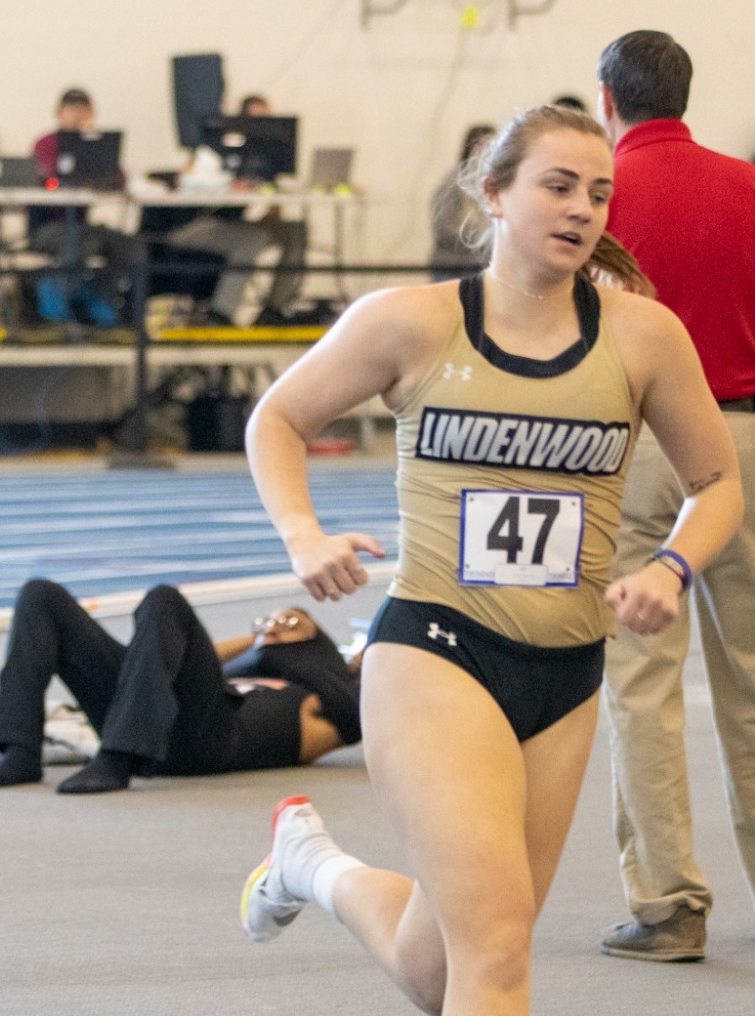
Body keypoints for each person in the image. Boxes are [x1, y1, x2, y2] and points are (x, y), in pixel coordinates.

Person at [235, 104, 740, 1016]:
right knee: (499, 950)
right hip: (437, 651)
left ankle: (310, 866)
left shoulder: (643, 336)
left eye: (599, 194)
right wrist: (303, 533)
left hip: (566, 674)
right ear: (495, 193)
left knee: (443, 968)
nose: (582, 209)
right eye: (558, 186)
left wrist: (672, 567)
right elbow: (278, 417)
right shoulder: (413, 322)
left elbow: (717, 482)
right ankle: (312, 866)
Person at [594, 29, 755, 962]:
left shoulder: (598, 194)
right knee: (754, 683)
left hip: (638, 445)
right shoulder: (747, 186)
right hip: (746, 439)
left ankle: (669, 909)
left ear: (607, 99)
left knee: (642, 681)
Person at [0, 580, 360, 793]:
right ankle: (19, 752)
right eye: (264, 621)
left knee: (165, 599)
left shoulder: (328, 704)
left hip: (208, 742)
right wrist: (256, 640)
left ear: (319, 646)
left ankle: (117, 759)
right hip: (145, 721)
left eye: (289, 623)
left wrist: (360, 664)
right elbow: (184, 649)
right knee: (41, 595)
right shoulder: (232, 672)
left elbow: (374, 712)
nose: (271, 627)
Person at [166, 93, 309, 326]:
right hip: (197, 226)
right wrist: (228, 184)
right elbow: (185, 182)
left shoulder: (265, 157)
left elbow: (273, 205)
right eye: (256, 120)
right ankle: (221, 315)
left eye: (267, 120)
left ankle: (274, 310)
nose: (262, 127)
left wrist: (270, 210)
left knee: (295, 232)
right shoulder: (210, 150)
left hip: (236, 226)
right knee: (252, 239)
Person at [27, 87, 142, 327]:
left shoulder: (97, 143)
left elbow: (118, 177)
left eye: (83, 109)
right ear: (59, 112)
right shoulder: (46, 144)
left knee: (128, 245)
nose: (78, 114)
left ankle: (113, 305)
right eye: (71, 108)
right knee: (75, 244)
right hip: (47, 229)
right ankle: (56, 313)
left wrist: (91, 144)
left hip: (81, 227)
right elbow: (48, 176)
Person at [430, 125, 496, 282]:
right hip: (453, 266)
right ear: (471, 148)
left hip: (483, 265)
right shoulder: (454, 182)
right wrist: (483, 240)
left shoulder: (496, 183)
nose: (488, 152)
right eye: (483, 146)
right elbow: (444, 227)